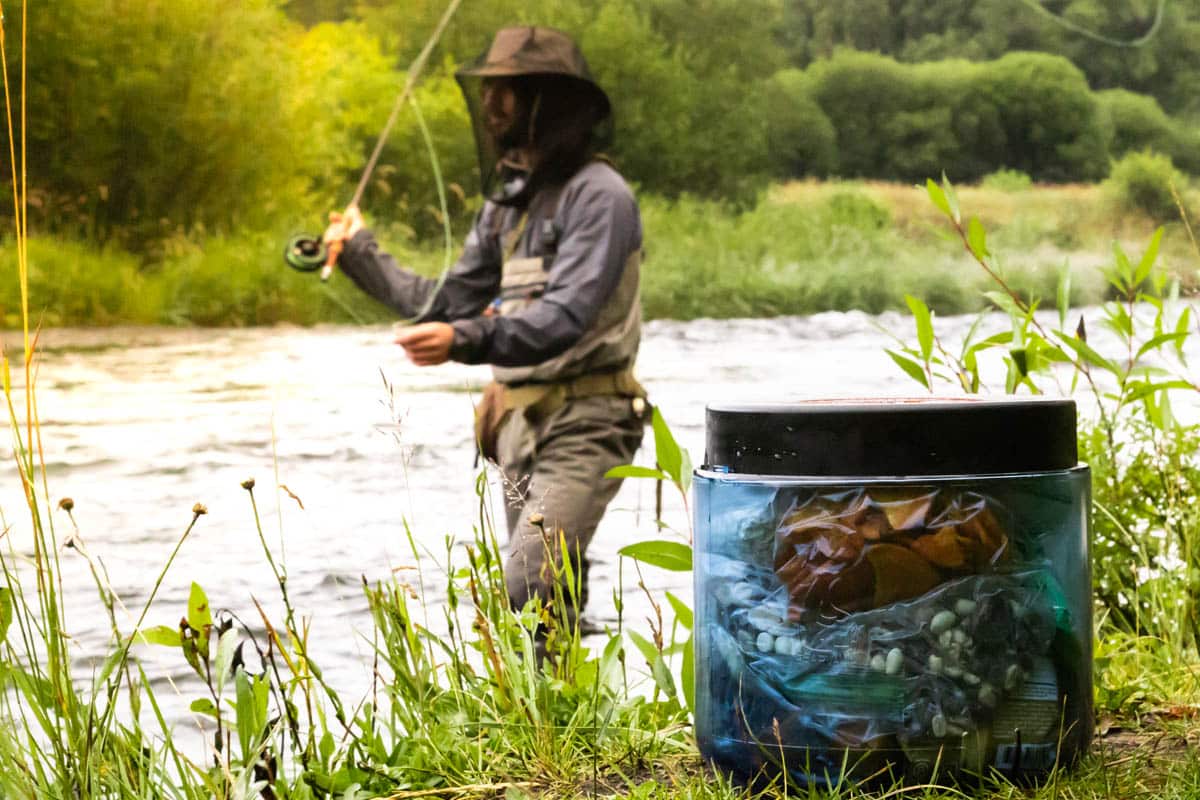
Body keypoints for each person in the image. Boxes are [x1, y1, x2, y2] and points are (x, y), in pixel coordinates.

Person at [322, 26, 647, 634]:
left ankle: (563, 716)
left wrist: (466, 340)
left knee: (529, 582)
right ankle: (552, 724)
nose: (493, 108)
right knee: (543, 604)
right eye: (490, 92)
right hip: (516, 424)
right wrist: (359, 252)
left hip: (590, 420)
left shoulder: (600, 198)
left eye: (507, 93)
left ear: (551, 103)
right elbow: (441, 302)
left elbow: (563, 319)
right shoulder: (507, 207)